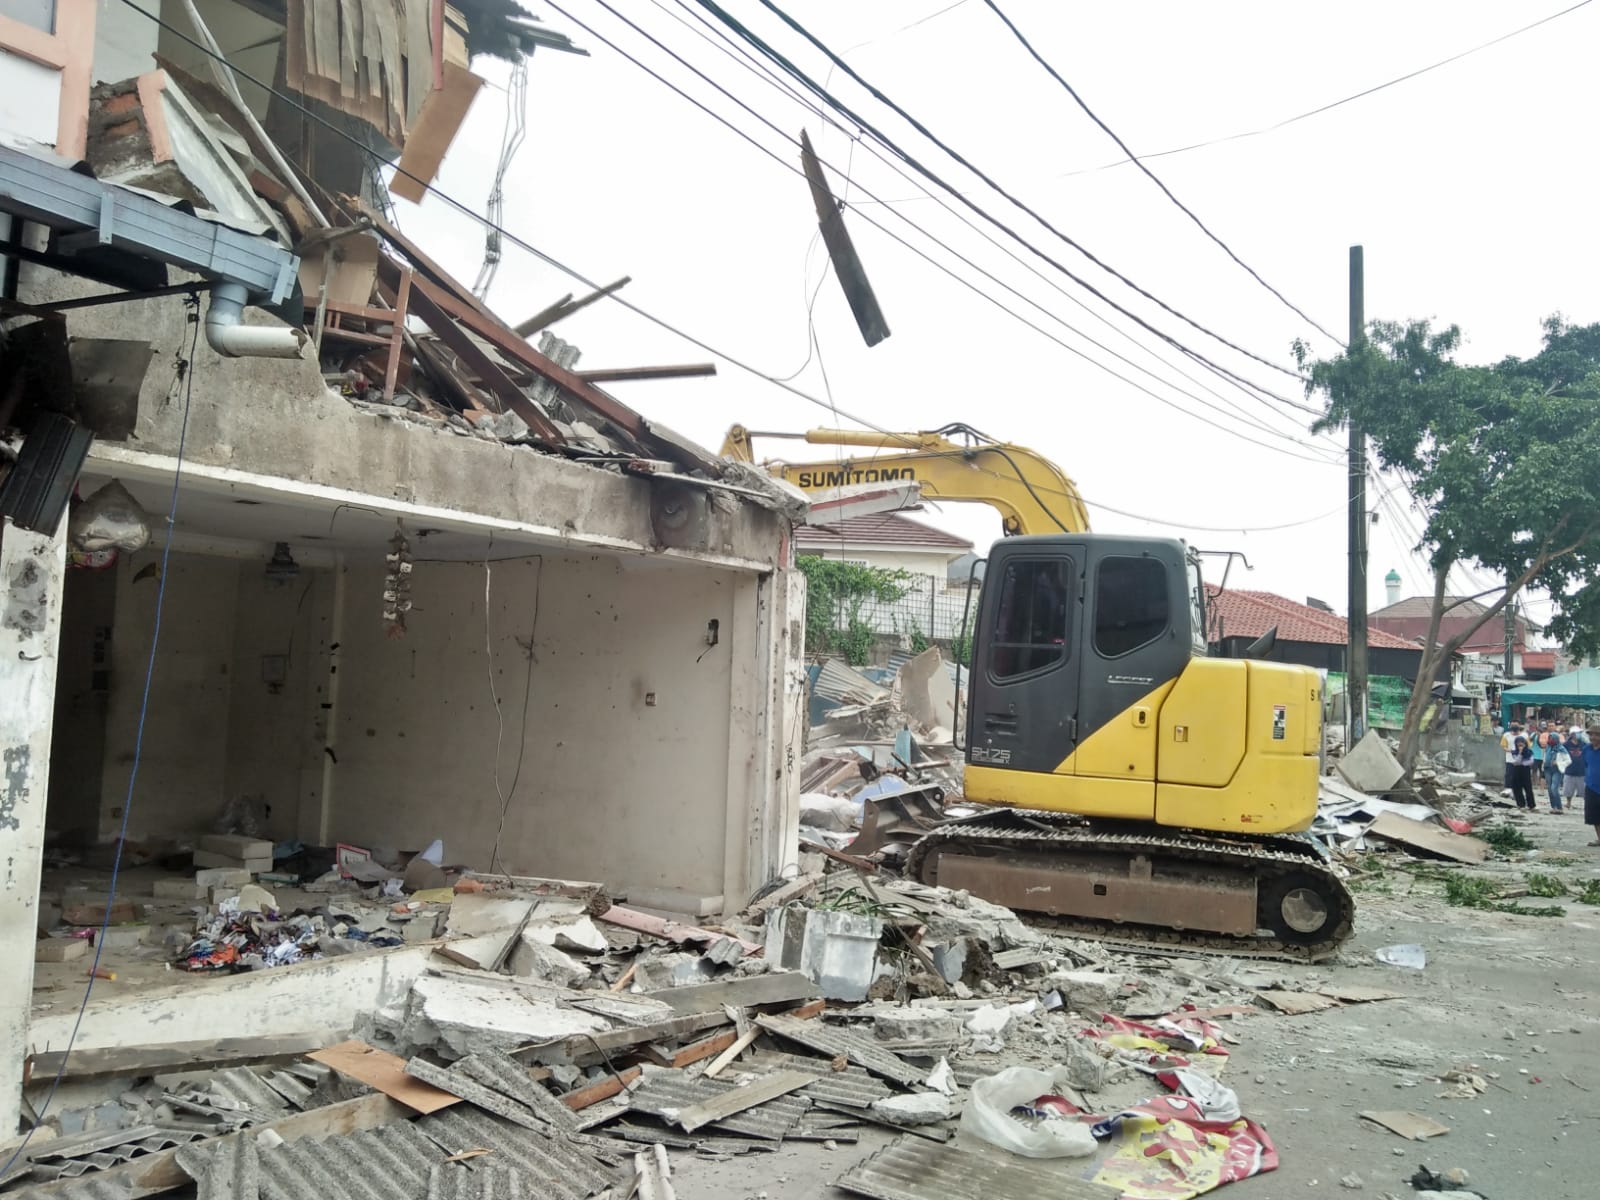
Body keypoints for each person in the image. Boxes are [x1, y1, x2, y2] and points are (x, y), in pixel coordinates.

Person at [1563, 727, 1588, 815]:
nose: (1579, 735)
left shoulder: (1584, 744)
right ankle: (1568, 802)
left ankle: (1587, 805)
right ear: (1572, 734)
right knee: (1568, 789)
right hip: (1570, 769)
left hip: (1582, 770)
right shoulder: (1566, 744)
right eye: (1577, 733)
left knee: (1584, 790)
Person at [1543, 723, 1567, 812]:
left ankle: (1559, 807)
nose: (1550, 740)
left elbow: (1568, 760)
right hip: (1547, 769)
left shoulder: (1561, 748)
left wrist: (1558, 763)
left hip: (1557, 770)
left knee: (1554, 788)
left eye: (1552, 738)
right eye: (1549, 738)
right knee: (1549, 789)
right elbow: (1545, 756)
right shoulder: (1548, 747)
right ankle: (1554, 807)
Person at [1508, 736, 1537, 810]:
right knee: (1517, 788)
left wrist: (1522, 763)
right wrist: (1520, 753)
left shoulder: (1529, 752)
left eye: (1521, 743)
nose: (1520, 744)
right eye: (1518, 743)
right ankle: (1521, 804)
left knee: (1528, 788)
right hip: (1516, 771)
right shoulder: (1514, 752)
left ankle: (1531, 805)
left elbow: (1531, 761)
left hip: (1525, 771)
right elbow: (1517, 761)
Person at [1587, 724, 1600, 848]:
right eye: (1591, 735)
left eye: (1597, 735)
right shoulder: (1587, 749)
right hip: (1591, 786)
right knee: (1594, 815)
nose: (1594, 737)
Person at [1500, 722, 1522, 793]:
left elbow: (1527, 746)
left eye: (1516, 726)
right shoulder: (1506, 735)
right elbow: (1503, 746)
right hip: (1509, 759)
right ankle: (1508, 789)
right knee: (1509, 775)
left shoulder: (1523, 735)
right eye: (1513, 726)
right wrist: (1511, 751)